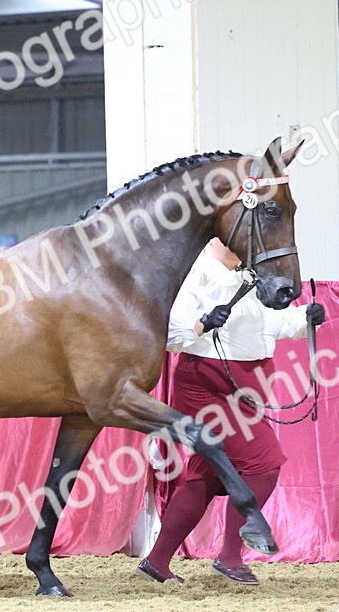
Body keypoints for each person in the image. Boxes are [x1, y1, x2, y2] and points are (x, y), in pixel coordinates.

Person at [137, 237, 325, 586]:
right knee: (263, 464)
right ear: (216, 238)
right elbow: (171, 336)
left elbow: (274, 324)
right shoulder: (195, 275)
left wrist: (306, 318)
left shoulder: (249, 274)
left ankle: (157, 562)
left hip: (241, 390)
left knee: (205, 478)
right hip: (206, 387)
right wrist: (203, 324)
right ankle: (230, 557)